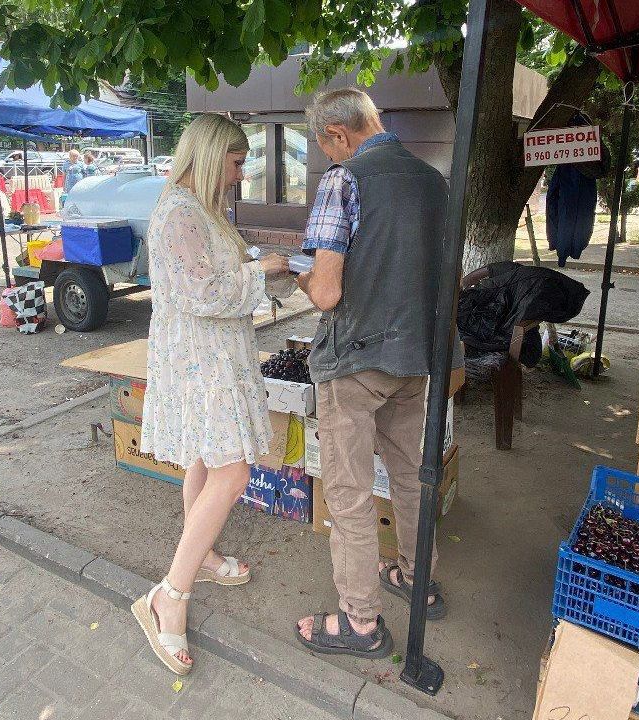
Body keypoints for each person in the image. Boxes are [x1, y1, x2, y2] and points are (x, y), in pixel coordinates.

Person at [132, 114, 293, 676]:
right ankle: (168, 596)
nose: (241, 171)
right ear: (208, 155)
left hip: (211, 354)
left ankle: (198, 558)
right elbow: (205, 293)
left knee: (205, 459)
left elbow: (207, 279)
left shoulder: (198, 209)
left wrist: (253, 269)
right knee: (233, 472)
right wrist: (262, 270)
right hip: (202, 359)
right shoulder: (179, 212)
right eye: (237, 160)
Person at [294, 88, 450, 658]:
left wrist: (301, 277)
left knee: (350, 494)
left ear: (338, 133)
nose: (328, 159)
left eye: (325, 147)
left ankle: (359, 623)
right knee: (412, 476)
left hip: (356, 361)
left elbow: (328, 292)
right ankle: (418, 581)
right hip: (416, 359)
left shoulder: (344, 181)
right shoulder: (434, 182)